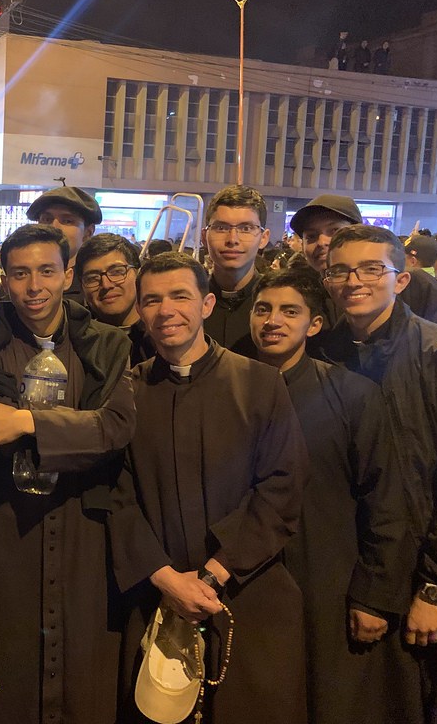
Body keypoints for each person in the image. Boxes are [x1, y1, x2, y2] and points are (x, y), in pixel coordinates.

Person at [108, 252, 309, 724]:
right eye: (152, 300)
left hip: (246, 589)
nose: (165, 311)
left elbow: (283, 485)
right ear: (140, 311)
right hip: (157, 591)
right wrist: (166, 578)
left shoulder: (259, 383)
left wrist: (215, 572)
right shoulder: (128, 391)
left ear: (207, 304)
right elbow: (117, 496)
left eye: (180, 296)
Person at [0, 223, 136, 723]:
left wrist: (28, 421)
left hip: (82, 529)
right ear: (3, 280)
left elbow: (115, 429)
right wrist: (75, 429)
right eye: (20, 274)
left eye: (46, 271)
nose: (34, 287)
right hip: (4, 530)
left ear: (68, 274)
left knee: (82, 672)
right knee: (4, 671)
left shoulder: (107, 346)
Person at [249, 266, 415, 724]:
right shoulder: (231, 388)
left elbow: (386, 498)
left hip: (331, 580)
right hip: (250, 580)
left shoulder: (352, 394)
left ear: (314, 324)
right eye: (263, 309)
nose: (272, 321)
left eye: (289, 311)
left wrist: (374, 596)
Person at [318, 224, 437, 724]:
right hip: (356, 565)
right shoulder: (327, 351)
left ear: (401, 277)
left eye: (372, 268)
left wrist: (434, 588)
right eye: (341, 270)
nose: (355, 280)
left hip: (422, 571)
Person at [292, 194, 437, 331]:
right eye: (311, 236)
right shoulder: (303, 292)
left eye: (334, 231)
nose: (322, 242)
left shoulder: (414, 283)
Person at [201, 184, 270, 355]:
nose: (233, 239)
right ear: (204, 237)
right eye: (221, 228)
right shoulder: (191, 303)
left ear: (264, 238)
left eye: (246, 228)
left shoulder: (278, 305)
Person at [76, 233, 155, 366]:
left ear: (138, 274)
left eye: (117, 272)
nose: (106, 285)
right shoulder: (78, 343)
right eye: (92, 278)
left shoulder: (162, 333)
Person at [25, 186, 101, 303]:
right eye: (47, 219)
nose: (54, 227)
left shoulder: (97, 287)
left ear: (88, 232)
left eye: (67, 221)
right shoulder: (14, 285)